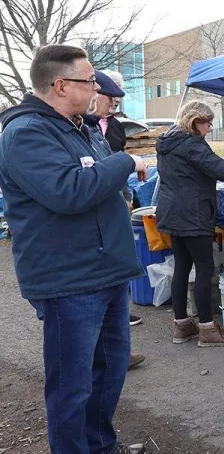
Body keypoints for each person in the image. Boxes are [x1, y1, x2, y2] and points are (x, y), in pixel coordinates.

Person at [0, 44, 148, 454]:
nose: (97, 88)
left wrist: (112, 174)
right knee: (72, 383)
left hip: (107, 269)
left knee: (110, 370)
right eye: (90, 81)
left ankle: (99, 448)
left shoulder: (79, 126)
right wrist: (122, 161)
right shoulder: (26, 133)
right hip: (68, 280)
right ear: (61, 85)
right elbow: (70, 191)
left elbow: (99, 185)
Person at [156, 100, 224, 347]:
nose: (210, 128)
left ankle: (182, 324)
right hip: (193, 213)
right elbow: (221, 169)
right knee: (205, 268)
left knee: (182, 267)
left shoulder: (167, 142)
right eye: (208, 122)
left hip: (171, 212)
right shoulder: (192, 144)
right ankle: (207, 327)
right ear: (195, 121)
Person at [85, 70, 147, 369]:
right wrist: (127, 164)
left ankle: (116, 351)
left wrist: (126, 194)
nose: (114, 104)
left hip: (115, 207)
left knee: (116, 282)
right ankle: (104, 355)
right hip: (93, 226)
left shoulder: (104, 128)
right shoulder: (80, 129)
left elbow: (114, 160)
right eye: (110, 98)